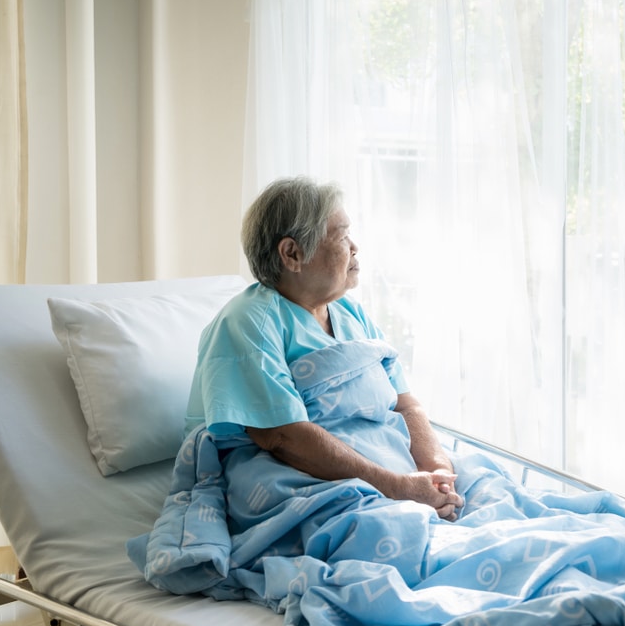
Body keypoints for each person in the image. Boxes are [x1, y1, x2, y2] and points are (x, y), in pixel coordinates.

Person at [184, 176, 463, 521]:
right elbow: (285, 437)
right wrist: (400, 488)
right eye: (343, 235)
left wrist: (437, 474)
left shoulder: (349, 312)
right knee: (381, 530)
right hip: (306, 480)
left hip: (393, 471)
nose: (355, 247)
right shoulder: (248, 323)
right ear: (292, 253)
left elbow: (405, 403)